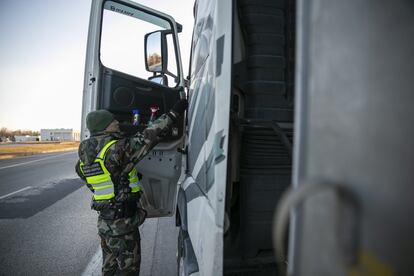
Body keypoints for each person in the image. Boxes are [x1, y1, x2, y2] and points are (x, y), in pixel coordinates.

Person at [75, 99, 187, 275]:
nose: (117, 123)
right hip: (123, 227)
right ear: (104, 127)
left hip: (105, 224)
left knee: (109, 271)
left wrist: (120, 181)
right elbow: (149, 136)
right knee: (128, 272)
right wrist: (173, 114)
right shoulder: (116, 149)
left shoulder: (85, 156)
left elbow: (95, 180)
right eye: (113, 121)